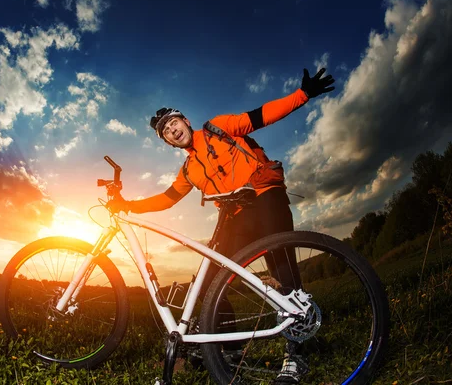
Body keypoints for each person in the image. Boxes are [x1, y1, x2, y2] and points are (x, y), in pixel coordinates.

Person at [107, 67, 335, 383]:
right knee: (211, 280)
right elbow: (167, 199)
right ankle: (230, 349)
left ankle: (297, 354)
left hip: (263, 194)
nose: (172, 131)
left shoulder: (219, 127)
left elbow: (260, 116)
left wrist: (303, 94)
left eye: (173, 123)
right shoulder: (189, 170)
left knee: (281, 265)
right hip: (233, 215)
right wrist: (128, 206)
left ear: (185, 121)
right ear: (168, 143)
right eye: (166, 132)